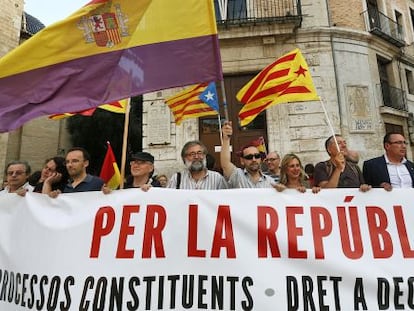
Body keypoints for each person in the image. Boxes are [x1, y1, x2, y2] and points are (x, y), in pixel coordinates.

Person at [220, 121, 275, 188]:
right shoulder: (237, 176)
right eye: (249, 157)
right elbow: (225, 164)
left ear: (260, 159)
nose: (254, 159)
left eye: (257, 156)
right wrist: (226, 139)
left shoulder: (271, 182)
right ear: (242, 161)